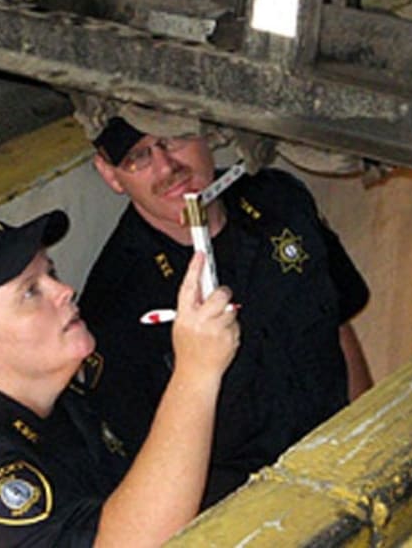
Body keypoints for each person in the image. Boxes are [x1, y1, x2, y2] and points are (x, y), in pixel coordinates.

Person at [0, 207, 239, 547]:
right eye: (30, 292)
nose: (65, 291)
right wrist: (196, 372)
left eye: (50, 274)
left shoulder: (64, 402)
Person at [77, 115, 374, 510]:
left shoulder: (280, 200)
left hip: (345, 463)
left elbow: (336, 326)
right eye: (138, 156)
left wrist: (370, 441)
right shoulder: (114, 306)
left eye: (174, 137)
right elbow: (153, 474)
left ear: (205, 127)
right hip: (249, 514)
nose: (167, 167)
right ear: (110, 174)